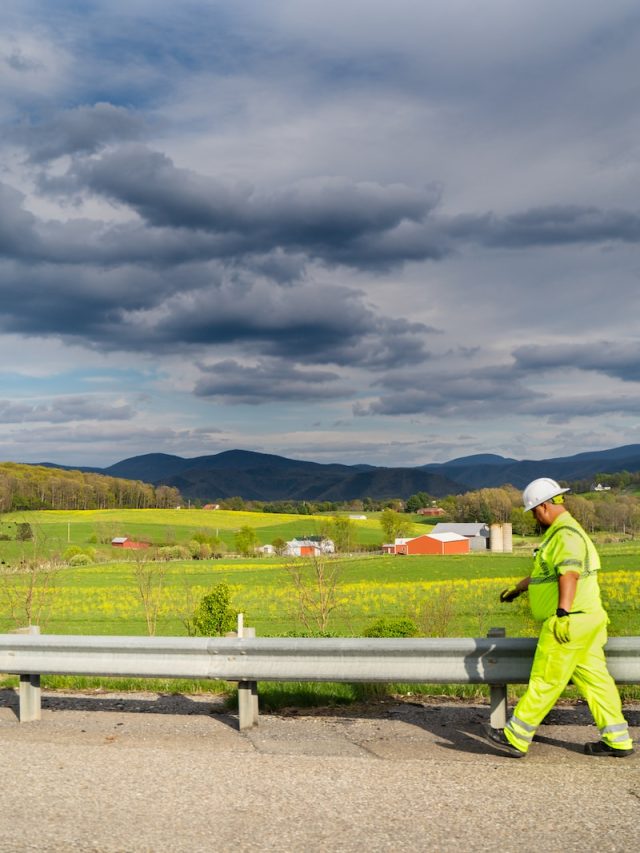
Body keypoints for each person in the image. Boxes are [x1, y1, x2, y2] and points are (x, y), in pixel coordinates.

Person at [482, 477, 634, 759]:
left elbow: (569, 574)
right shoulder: (562, 534)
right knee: (596, 682)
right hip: (586, 622)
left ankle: (516, 736)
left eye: (535, 512)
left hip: (570, 622)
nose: (536, 518)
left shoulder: (565, 536)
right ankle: (618, 739)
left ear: (544, 507)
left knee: (545, 679)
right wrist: (518, 589)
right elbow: (547, 575)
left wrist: (562, 613)